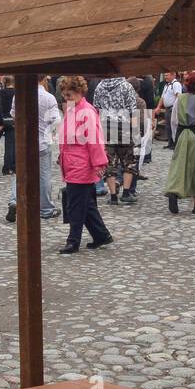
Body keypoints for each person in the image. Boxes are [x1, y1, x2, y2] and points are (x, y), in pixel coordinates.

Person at [56, 76, 112, 255]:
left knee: (76, 206)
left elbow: (94, 140)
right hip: (73, 163)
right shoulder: (73, 109)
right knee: (85, 204)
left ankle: (73, 241)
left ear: (80, 92)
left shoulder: (86, 111)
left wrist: (99, 163)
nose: (66, 98)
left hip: (81, 165)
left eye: (69, 95)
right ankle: (101, 235)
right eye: (64, 95)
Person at [6, 76, 62, 223]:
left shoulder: (18, 96)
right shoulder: (49, 98)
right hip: (42, 141)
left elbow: (13, 115)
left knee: (21, 173)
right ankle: (46, 208)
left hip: (24, 141)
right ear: (44, 79)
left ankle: (14, 201)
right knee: (43, 176)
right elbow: (56, 120)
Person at [165, 71, 195, 215]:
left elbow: (174, 121)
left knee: (179, 166)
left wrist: (175, 137)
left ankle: (174, 191)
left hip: (181, 134)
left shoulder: (179, 99)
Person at [92, 75, 140, 205]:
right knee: (128, 161)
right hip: (124, 126)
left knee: (109, 162)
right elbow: (132, 109)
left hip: (106, 127)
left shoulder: (100, 86)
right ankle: (126, 193)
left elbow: (95, 107)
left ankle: (113, 196)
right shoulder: (126, 86)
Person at [0, 75, 15, 175]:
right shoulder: (16, 93)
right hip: (12, 120)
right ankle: (8, 166)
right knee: (10, 145)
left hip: (2, 119)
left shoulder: (1, 93)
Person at [158, 71, 182, 150]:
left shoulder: (176, 84)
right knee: (168, 127)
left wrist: (176, 108)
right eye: (165, 75)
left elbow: (178, 96)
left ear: (173, 75)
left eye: (167, 75)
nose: (165, 77)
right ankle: (170, 143)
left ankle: (175, 143)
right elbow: (162, 97)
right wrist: (158, 107)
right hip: (167, 109)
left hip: (172, 108)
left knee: (173, 126)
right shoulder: (166, 85)